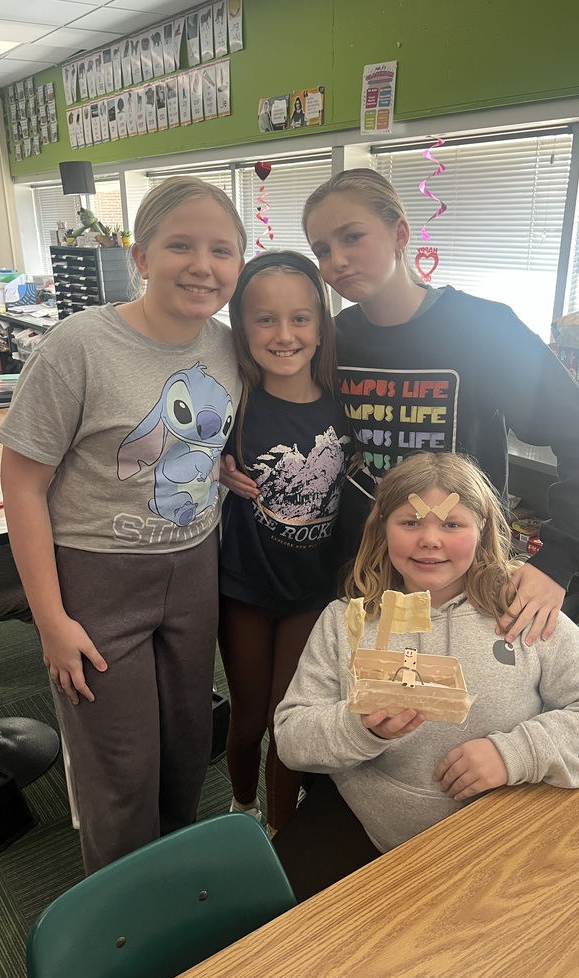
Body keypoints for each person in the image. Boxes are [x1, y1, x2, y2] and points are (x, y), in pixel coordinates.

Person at [224, 169, 579, 645]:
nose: (337, 261)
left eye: (352, 237)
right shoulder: (335, 339)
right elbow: (289, 416)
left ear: (400, 234)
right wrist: (229, 462)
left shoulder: (485, 329)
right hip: (362, 576)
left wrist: (557, 561)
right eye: (322, 250)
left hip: (461, 578)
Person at [0, 176, 246, 875]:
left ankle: (171, 888)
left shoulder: (231, 347)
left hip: (194, 567)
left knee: (185, 747)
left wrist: (224, 467)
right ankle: (124, 918)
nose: (203, 265)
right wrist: (50, 620)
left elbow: (210, 442)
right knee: (120, 768)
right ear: (140, 256)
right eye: (180, 245)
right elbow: (22, 484)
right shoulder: (78, 346)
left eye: (222, 250)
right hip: (97, 575)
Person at [273, 451, 579, 900]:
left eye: (451, 524)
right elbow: (291, 739)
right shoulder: (344, 621)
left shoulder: (523, 612)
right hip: (367, 828)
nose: (430, 540)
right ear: (382, 527)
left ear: (482, 528)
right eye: (410, 522)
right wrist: (359, 726)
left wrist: (515, 753)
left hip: (496, 838)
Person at [219, 251, 352, 834]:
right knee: (248, 717)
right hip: (244, 588)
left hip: (312, 593)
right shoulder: (232, 401)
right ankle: (241, 808)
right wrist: (214, 469)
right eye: (265, 319)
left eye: (300, 318)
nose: (284, 335)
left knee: (285, 719)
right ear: (242, 328)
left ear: (321, 327)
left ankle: (277, 832)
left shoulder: (346, 405)